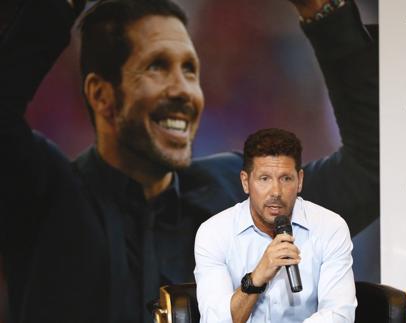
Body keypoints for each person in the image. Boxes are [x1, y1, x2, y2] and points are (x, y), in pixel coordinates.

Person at [0, 0, 377, 322]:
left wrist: (323, 11)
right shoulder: (44, 194)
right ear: (102, 94)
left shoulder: (234, 191)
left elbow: (370, 172)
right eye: (157, 67)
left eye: (190, 70)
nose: (183, 90)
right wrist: (55, 10)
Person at [195, 128, 356, 323]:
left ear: (300, 181)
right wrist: (255, 279)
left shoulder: (330, 227)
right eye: (264, 179)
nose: (276, 192)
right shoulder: (213, 233)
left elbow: (339, 315)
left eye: (286, 179)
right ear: (246, 182)